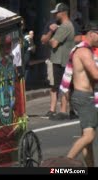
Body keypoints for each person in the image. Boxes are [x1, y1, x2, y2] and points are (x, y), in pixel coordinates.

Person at [60, 25, 98, 167]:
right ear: (92, 33)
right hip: (84, 97)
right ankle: (62, 165)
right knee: (89, 136)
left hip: (82, 95)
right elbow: (95, 74)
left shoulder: (83, 50)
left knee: (87, 139)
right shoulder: (84, 52)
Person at [41, 3, 75, 120]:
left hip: (62, 61)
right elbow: (43, 40)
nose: (55, 15)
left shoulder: (65, 26)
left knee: (63, 86)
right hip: (60, 60)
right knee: (61, 85)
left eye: (56, 13)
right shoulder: (63, 26)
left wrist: (51, 38)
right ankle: (66, 111)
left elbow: (54, 43)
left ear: (62, 13)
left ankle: (63, 111)